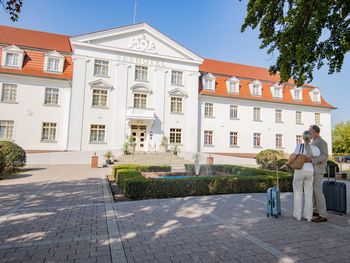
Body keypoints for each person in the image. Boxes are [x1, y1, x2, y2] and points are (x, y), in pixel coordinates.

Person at [281, 130, 320, 222]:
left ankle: (298, 215)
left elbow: (293, 157)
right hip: (310, 171)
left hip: (300, 170)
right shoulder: (315, 148)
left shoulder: (300, 146)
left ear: (303, 138)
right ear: (311, 138)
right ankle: (308, 217)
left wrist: (286, 164)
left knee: (298, 193)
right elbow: (318, 160)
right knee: (309, 194)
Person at [308, 125, 328, 223]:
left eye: (310, 131)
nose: (308, 133)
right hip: (312, 170)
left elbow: (325, 156)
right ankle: (316, 211)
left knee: (318, 191)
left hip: (319, 170)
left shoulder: (322, 142)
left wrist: (312, 160)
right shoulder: (313, 141)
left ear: (315, 132)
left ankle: (323, 215)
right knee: (313, 192)